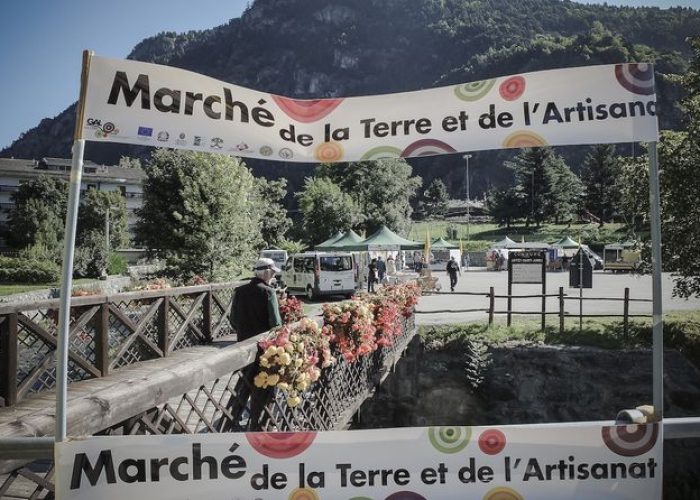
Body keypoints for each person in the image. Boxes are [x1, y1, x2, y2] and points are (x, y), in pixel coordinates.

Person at [229, 257, 283, 430]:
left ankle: (232, 417)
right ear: (266, 272)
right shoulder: (268, 292)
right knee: (264, 383)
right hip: (264, 348)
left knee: (245, 382)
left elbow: (233, 320)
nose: (274, 275)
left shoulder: (240, 291)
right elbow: (276, 324)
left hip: (243, 345)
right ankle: (257, 422)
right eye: (273, 272)